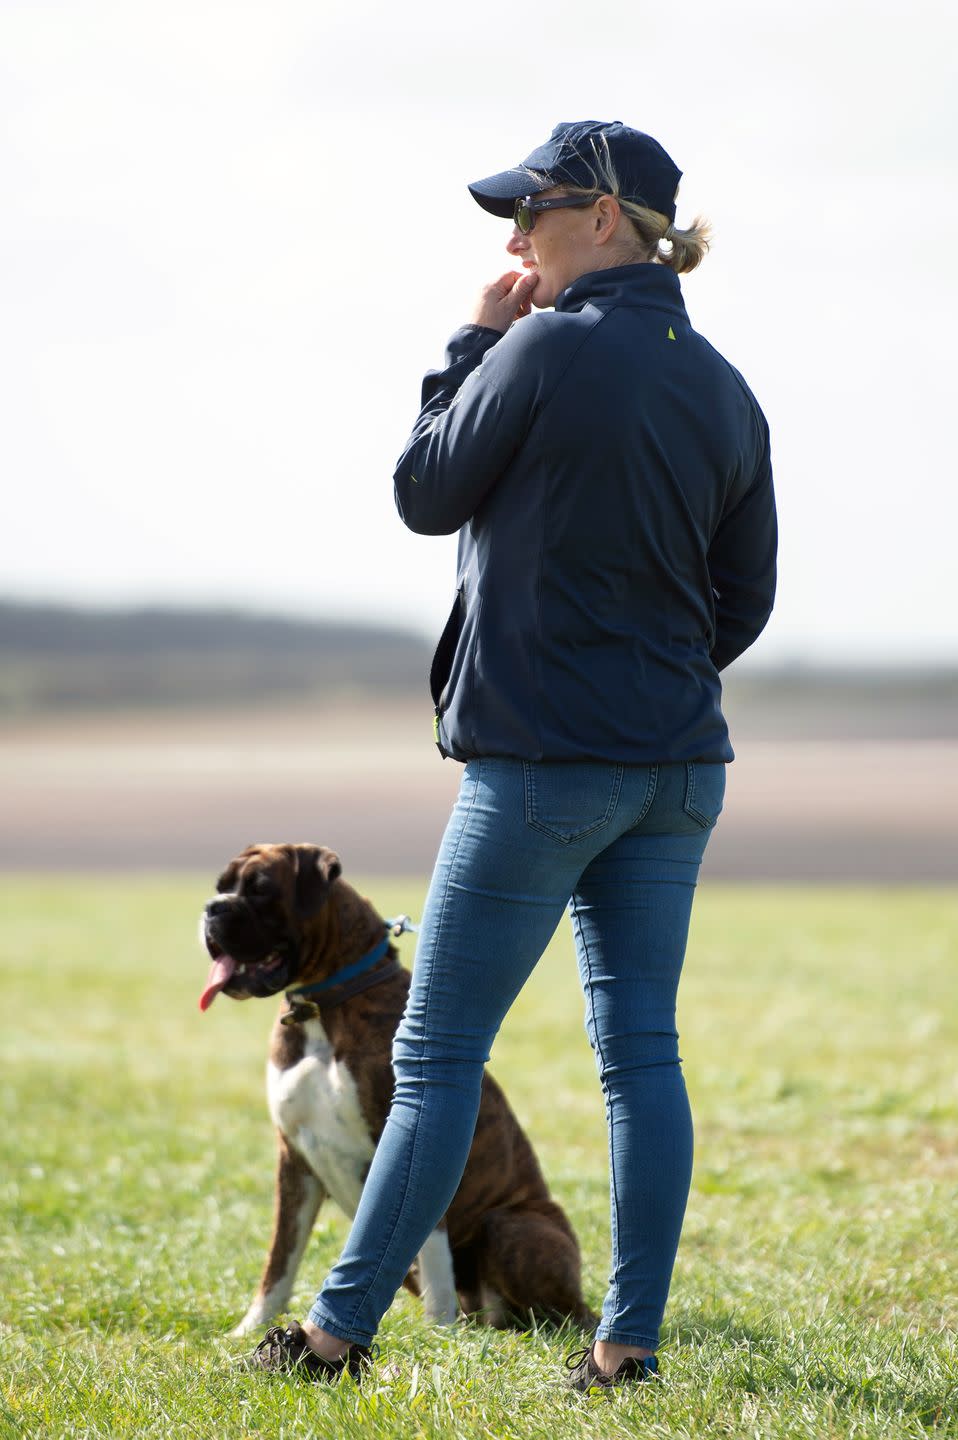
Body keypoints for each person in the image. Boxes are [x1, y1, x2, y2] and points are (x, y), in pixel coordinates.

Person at [252, 119, 777, 1391]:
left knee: (430, 1055)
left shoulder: (535, 345)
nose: (512, 238)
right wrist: (646, 675)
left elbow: (426, 489)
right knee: (642, 1054)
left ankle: (328, 1337)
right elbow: (743, 602)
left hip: (544, 767)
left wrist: (471, 343)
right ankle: (626, 1349)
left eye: (531, 212)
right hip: (679, 769)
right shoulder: (724, 384)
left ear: (602, 218)